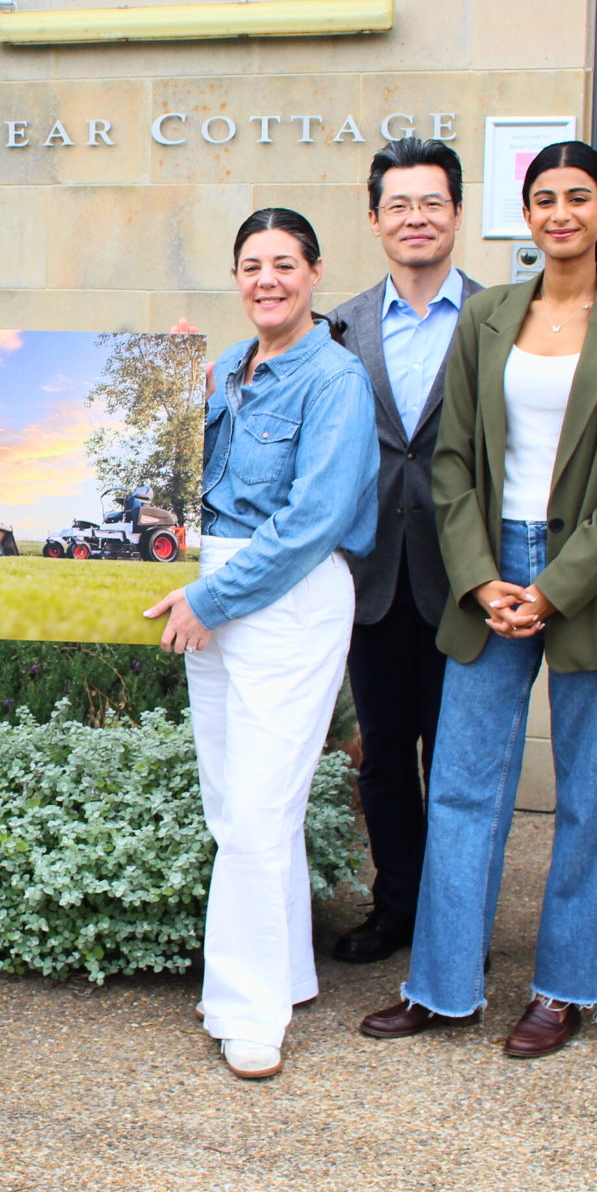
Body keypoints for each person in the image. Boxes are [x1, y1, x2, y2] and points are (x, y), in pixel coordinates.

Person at [360, 140, 597, 1058]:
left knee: (589, 791)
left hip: (594, 580)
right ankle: (442, 983)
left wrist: (558, 585)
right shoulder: (491, 315)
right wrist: (479, 574)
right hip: (491, 576)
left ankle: (566, 987)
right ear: (526, 215)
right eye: (545, 198)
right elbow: (452, 457)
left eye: (579, 197)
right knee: (461, 783)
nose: (562, 212)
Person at [146, 209, 379, 1081]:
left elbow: (315, 521)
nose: (266, 279)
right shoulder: (228, 373)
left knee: (255, 807)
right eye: (251, 265)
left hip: (280, 599)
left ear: (315, 274)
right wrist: (175, 380)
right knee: (238, 802)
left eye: (284, 263)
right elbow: (179, 484)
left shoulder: (335, 380)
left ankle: (248, 1013)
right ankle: (286, 973)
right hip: (212, 593)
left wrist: (213, 595)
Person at [327, 138, 483, 964]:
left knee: (459, 761)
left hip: (470, 578)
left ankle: (456, 922)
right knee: (385, 755)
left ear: (456, 213)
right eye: (399, 205)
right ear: (375, 217)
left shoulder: (503, 318)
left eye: (432, 203)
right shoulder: (340, 325)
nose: (416, 218)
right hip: (374, 577)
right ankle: (397, 908)